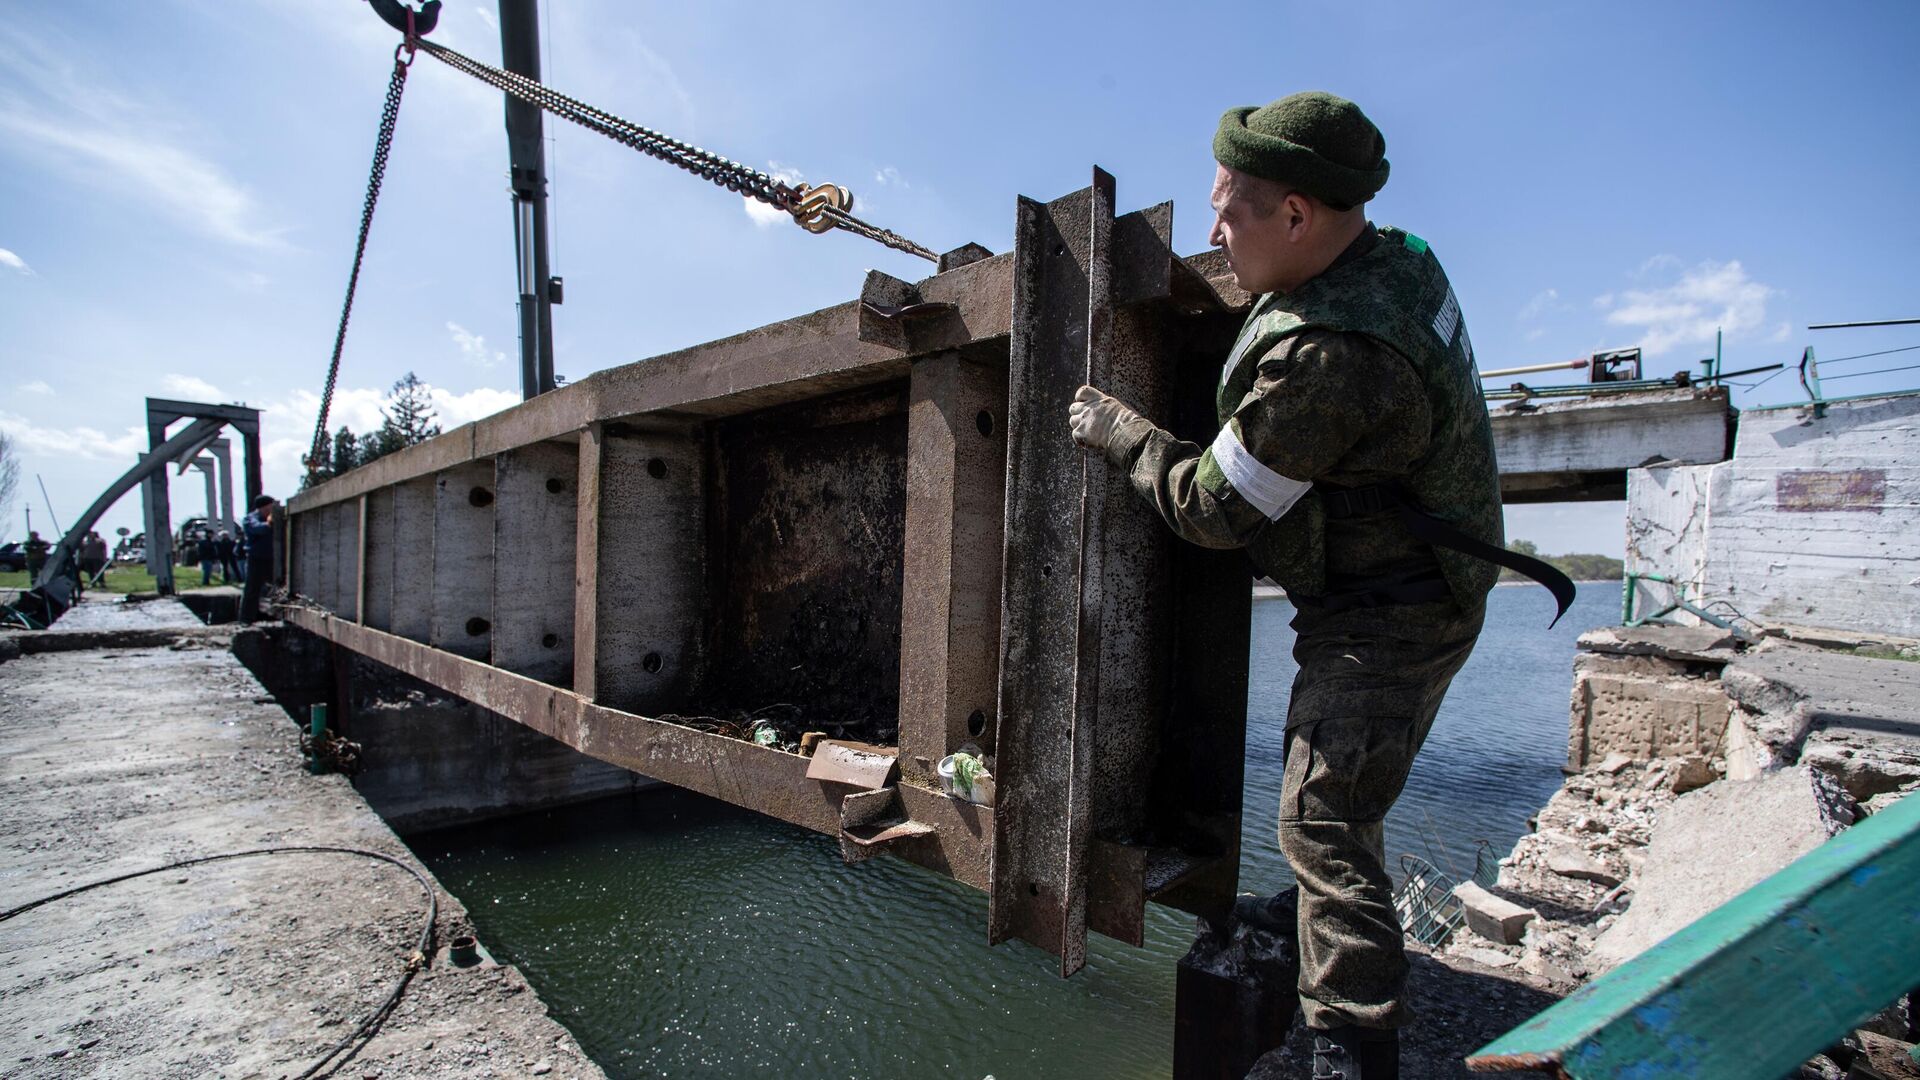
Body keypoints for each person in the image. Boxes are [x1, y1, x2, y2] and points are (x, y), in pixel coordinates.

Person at [1069, 92, 1567, 1079]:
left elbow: (1215, 507)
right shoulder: (1396, 257)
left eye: (1230, 211)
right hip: (1419, 579)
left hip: (1394, 611)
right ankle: (1313, 932)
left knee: (1322, 817)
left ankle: (1349, 1047)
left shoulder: (1329, 358)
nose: (1214, 231)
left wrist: (1120, 431)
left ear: (1298, 216)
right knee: (1336, 814)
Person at [239, 495, 277, 623]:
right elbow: (256, 528)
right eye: (270, 507)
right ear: (263, 507)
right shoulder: (250, 518)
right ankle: (246, 620)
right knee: (252, 589)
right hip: (256, 558)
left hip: (273, 558)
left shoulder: (271, 517)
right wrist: (269, 523)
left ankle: (273, 616)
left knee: (277, 589)